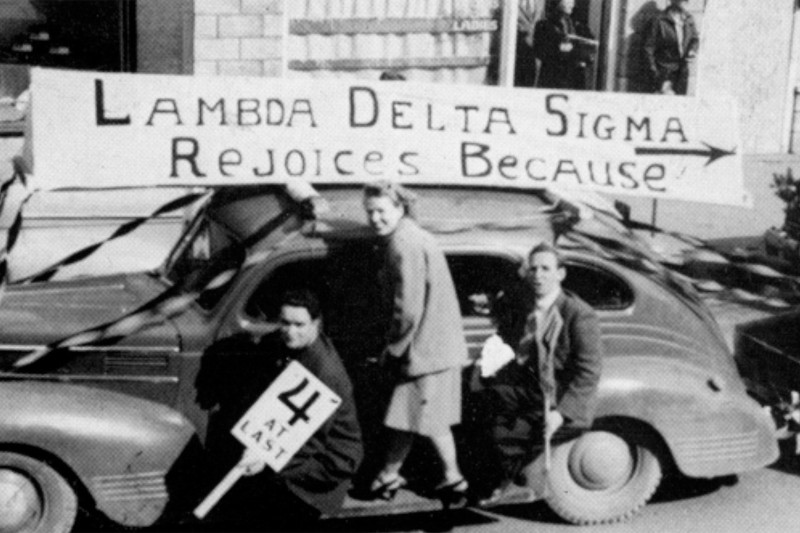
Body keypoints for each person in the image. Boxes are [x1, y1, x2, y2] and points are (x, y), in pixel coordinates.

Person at [195, 289, 363, 530]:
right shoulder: (280, 342)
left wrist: (266, 459)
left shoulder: (324, 372)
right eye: (284, 322)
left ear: (316, 323)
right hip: (286, 452)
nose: (289, 331)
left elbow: (309, 441)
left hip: (319, 468)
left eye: (299, 324)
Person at [361, 179, 469, 504]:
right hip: (436, 348)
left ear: (399, 207)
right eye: (370, 212)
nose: (375, 219)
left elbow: (406, 309)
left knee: (417, 419)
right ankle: (394, 475)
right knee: (410, 417)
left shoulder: (402, 244)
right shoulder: (415, 235)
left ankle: (447, 479)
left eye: (381, 211)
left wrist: (390, 350)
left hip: (423, 350)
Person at [477, 242, 603, 505]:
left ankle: (502, 482)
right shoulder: (526, 305)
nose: (538, 275)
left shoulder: (577, 314)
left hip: (557, 398)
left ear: (561, 274)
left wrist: (561, 414)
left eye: (546, 268)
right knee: (476, 399)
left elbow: (589, 371)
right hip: (528, 388)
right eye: (533, 269)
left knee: (503, 433)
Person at [532, 0, 595, 90]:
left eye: (573, 1)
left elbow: (590, 49)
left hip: (575, 81)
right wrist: (559, 48)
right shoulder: (544, 25)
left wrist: (586, 54)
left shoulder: (579, 26)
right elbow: (539, 51)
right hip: (553, 81)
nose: (572, 4)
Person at [643, 0, 699, 95]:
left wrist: (692, 50)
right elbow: (648, 51)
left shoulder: (689, 19)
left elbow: (694, 38)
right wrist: (659, 80)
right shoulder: (658, 20)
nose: (685, 2)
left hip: (682, 74)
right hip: (664, 74)